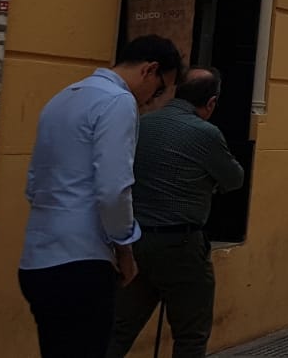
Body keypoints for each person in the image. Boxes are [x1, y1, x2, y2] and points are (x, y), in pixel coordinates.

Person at [18, 35, 182, 358]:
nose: (154, 99)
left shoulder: (62, 98)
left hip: (37, 259)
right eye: (161, 88)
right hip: (83, 260)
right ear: (149, 70)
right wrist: (125, 249)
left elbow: (34, 184)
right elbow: (113, 188)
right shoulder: (118, 102)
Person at [108, 67, 244, 358]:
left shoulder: (143, 124)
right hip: (182, 244)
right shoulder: (206, 133)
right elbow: (234, 179)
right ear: (211, 103)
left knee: (119, 330)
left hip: (136, 242)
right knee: (190, 334)